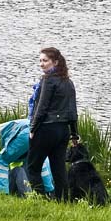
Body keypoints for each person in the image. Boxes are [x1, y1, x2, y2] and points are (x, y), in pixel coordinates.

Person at [26, 47, 78, 200]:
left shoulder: (47, 80)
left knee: (33, 167)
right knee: (59, 169)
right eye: (40, 61)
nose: (42, 64)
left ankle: (40, 199)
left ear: (55, 62)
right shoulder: (68, 82)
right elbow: (72, 110)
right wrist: (75, 133)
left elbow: (42, 107)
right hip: (63, 130)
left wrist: (33, 128)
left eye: (45, 61)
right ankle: (63, 201)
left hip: (46, 128)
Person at [0, 118, 54, 196]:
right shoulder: (4, 128)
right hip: (42, 132)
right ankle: (49, 192)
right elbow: (16, 164)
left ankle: (2, 194)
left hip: (26, 134)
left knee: (1, 160)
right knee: (38, 163)